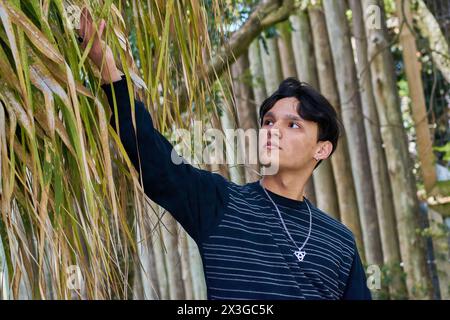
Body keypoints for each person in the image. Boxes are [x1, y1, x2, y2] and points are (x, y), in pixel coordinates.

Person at [77, 8, 371, 300]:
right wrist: (109, 73)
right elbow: (153, 159)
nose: (273, 130)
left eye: (293, 124)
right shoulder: (220, 203)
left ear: (322, 149)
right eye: (268, 121)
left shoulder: (340, 242)